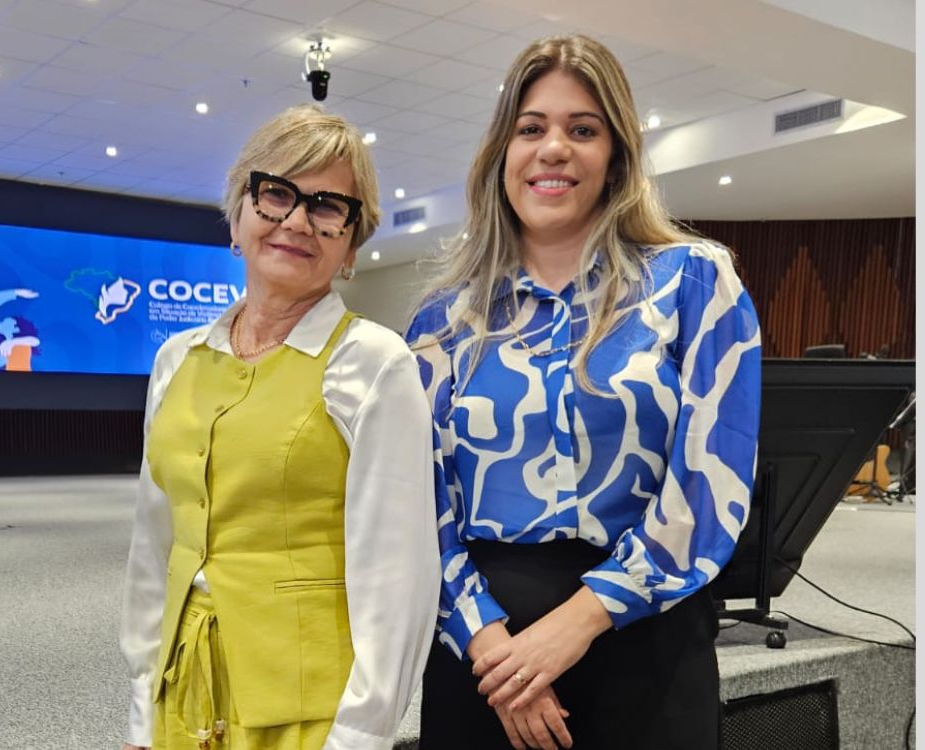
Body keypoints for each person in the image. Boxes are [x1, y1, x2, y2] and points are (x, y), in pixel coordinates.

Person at [405, 34, 761, 750]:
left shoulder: (696, 283)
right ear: (501, 153)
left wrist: (577, 623)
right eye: (531, 128)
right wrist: (491, 648)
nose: (554, 148)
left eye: (583, 129)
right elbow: (419, 507)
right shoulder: (441, 323)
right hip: (486, 658)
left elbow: (710, 483)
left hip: (646, 637)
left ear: (617, 155)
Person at [119, 104, 440, 750]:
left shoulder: (374, 365)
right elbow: (156, 545)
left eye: (327, 206)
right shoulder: (177, 360)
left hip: (309, 716)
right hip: (185, 690)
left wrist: (361, 737)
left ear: (351, 244)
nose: (297, 219)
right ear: (239, 214)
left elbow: (397, 579)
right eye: (277, 194)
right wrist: (141, 709)